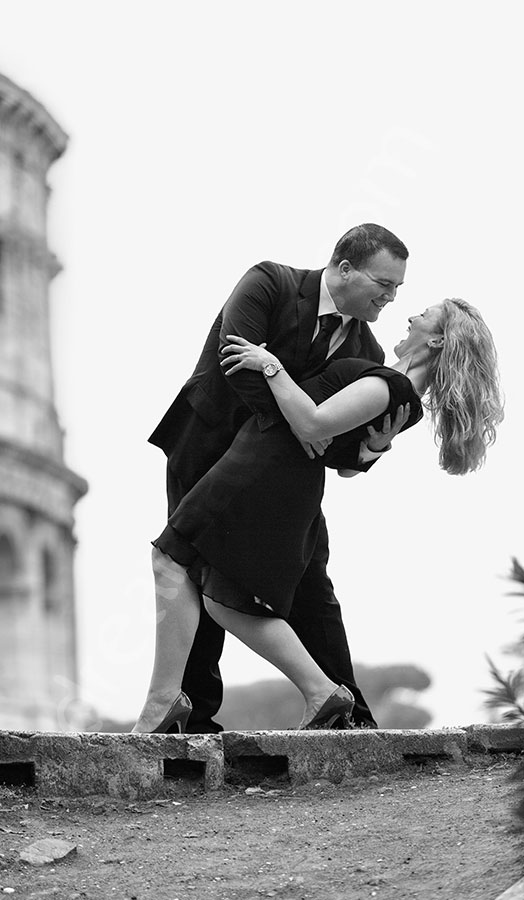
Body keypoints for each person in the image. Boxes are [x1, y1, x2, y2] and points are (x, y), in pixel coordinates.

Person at [133, 298, 503, 733]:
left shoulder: (389, 388)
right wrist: (373, 448)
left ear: (438, 338)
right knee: (221, 598)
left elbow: (311, 424)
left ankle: (169, 701)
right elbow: (345, 461)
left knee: (173, 559)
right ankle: (317, 692)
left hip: (261, 465)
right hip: (271, 467)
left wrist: (270, 365)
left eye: (424, 314)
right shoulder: (397, 389)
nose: (410, 315)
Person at [148, 224, 409, 732]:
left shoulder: (369, 351)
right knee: (196, 571)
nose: (392, 296)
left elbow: (340, 445)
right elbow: (236, 362)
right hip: (205, 448)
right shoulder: (269, 282)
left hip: (281, 475)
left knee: (313, 581)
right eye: (385, 282)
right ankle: (195, 715)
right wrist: (302, 425)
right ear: (346, 267)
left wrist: (373, 448)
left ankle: (346, 713)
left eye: (398, 287)